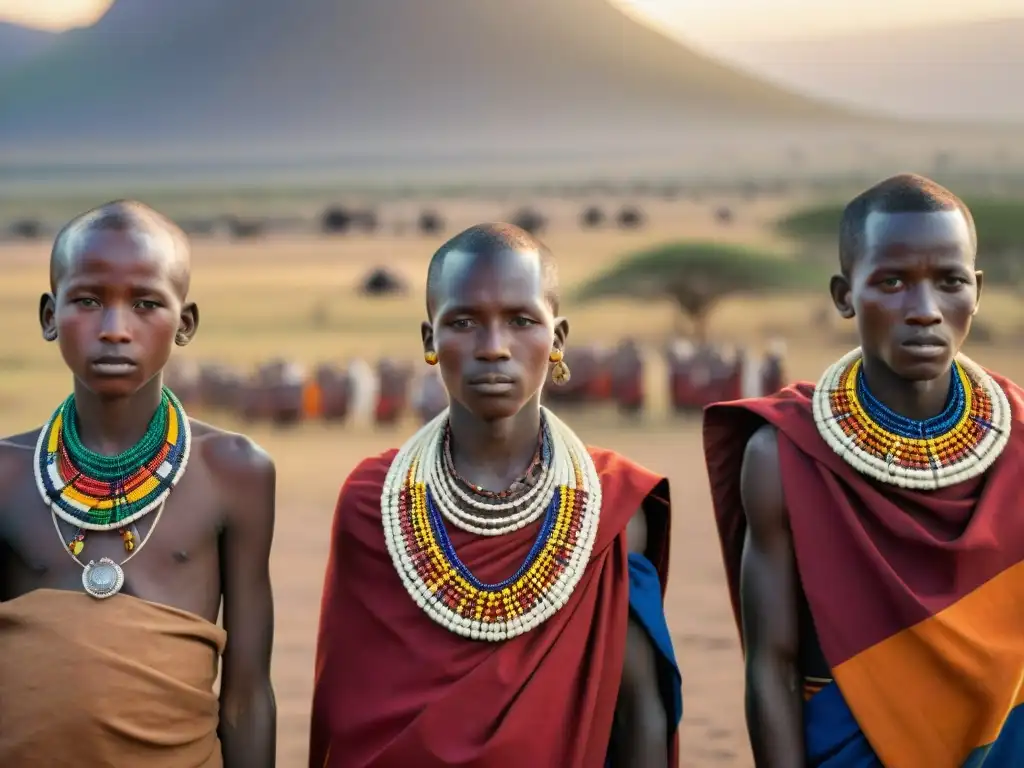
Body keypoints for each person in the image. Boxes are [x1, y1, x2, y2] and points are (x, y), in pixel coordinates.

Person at [310, 223, 681, 768]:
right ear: (429, 340)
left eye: (521, 321)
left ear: (557, 339)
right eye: (463, 322)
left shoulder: (612, 506)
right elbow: (348, 716)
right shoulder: (373, 502)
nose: (493, 348)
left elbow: (639, 712)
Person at [702, 173, 1024, 767]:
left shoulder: (1022, 442)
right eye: (892, 282)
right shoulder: (784, 456)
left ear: (975, 291)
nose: (924, 311)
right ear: (844, 294)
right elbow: (772, 664)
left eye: (949, 282)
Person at [0, 200, 277, 767]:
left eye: (146, 304)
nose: (114, 329)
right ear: (50, 316)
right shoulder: (5, 475)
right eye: (88, 301)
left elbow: (247, 695)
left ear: (185, 323)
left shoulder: (234, 472)